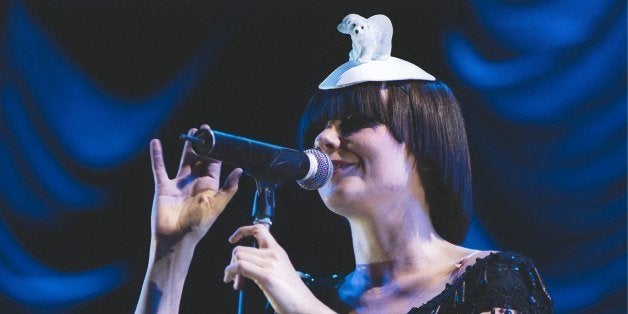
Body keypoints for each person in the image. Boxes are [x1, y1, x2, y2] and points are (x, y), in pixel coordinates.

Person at [136, 14, 553, 314]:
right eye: (320, 126)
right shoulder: (300, 293)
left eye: (356, 122)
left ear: (424, 145)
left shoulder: (494, 280)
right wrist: (171, 252)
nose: (325, 138)